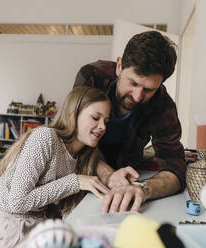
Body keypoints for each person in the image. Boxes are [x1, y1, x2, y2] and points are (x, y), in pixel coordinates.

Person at [73, 31, 187, 214]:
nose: (137, 96)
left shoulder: (163, 104)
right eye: (133, 83)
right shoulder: (92, 77)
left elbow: (176, 169)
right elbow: (74, 137)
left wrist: (143, 188)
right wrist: (107, 174)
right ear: (119, 66)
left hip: (126, 180)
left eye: (149, 90)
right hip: (82, 174)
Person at [0, 86, 111, 248]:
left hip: (41, 223)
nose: (103, 126)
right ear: (73, 114)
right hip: (13, 226)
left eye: (106, 121)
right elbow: (17, 202)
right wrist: (75, 182)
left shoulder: (84, 156)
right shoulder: (45, 137)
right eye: (96, 118)